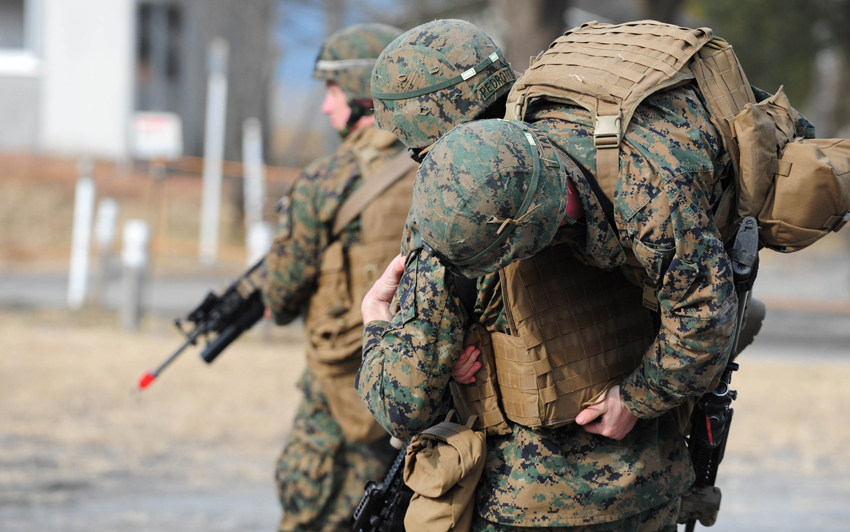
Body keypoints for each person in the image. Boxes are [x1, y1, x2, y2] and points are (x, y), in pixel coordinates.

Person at [357, 21, 753, 532]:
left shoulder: (450, 216)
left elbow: (402, 403)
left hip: (528, 503)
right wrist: (638, 398)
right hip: (652, 485)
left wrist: (376, 323)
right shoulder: (608, 156)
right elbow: (706, 312)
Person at [262, 23, 415, 532]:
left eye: (331, 92)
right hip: (425, 383)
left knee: (315, 511)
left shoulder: (326, 181)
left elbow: (281, 299)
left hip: (340, 388)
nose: (326, 107)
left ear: (359, 92)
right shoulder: (438, 166)